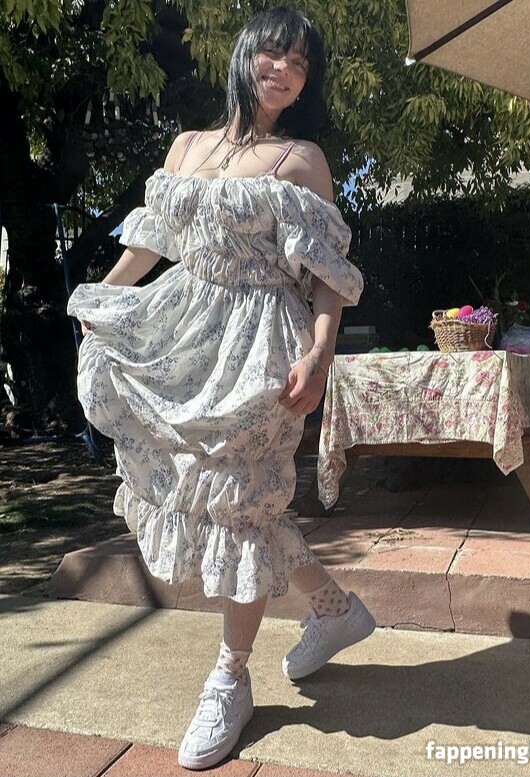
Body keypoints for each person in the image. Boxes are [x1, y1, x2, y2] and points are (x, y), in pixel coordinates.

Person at [67, 5, 375, 771]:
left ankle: (230, 676)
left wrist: (319, 354)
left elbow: (328, 276)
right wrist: (102, 298)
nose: (285, 69)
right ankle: (336, 611)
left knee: (242, 502)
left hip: (261, 347)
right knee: (244, 505)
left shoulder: (301, 159)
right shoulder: (187, 147)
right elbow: (153, 241)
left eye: (300, 63)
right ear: (245, 56)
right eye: (275, 52)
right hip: (185, 334)